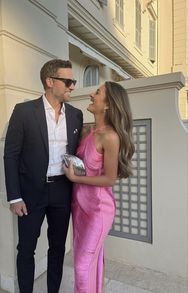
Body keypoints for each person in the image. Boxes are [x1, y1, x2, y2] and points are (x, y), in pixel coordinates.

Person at [3, 59, 83, 293]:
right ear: (50, 82)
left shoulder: (76, 115)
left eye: (73, 81)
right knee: (26, 249)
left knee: (58, 248)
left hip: (62, 190)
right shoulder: (24, 111)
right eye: (68, 81)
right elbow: (11, 155)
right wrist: (14, 197)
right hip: (30, 193)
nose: (72, 87)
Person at [64, 81, 135, 293]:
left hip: (98, 211)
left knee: (82, 267)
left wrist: (75, 179)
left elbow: (109, 179)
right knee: (89, 262)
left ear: (108, 105)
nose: (91, 95)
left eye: (97, 92)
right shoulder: (87, 131)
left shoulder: (110, 137)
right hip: (79, 208)